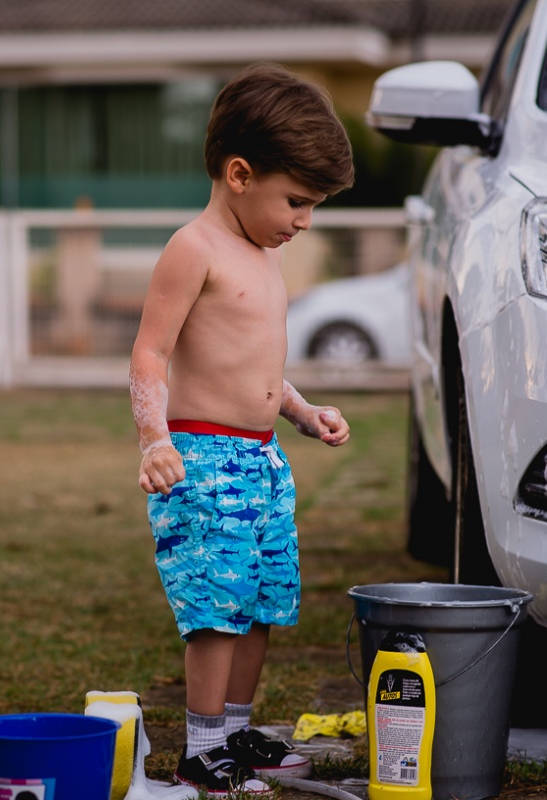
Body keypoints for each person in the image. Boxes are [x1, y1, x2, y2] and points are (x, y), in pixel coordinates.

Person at [129, 62, 354, 796]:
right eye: (296, 201)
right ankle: (201, 751)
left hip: (262, 460)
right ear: (238, 175)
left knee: (260, 604)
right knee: (216, 608)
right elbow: (151, 353)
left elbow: (254, 370)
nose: (303, 221)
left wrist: (302, 411)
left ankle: (234, 734)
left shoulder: (263, 255)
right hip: (202, 462)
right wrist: (154, 440)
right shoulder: (193, 249)